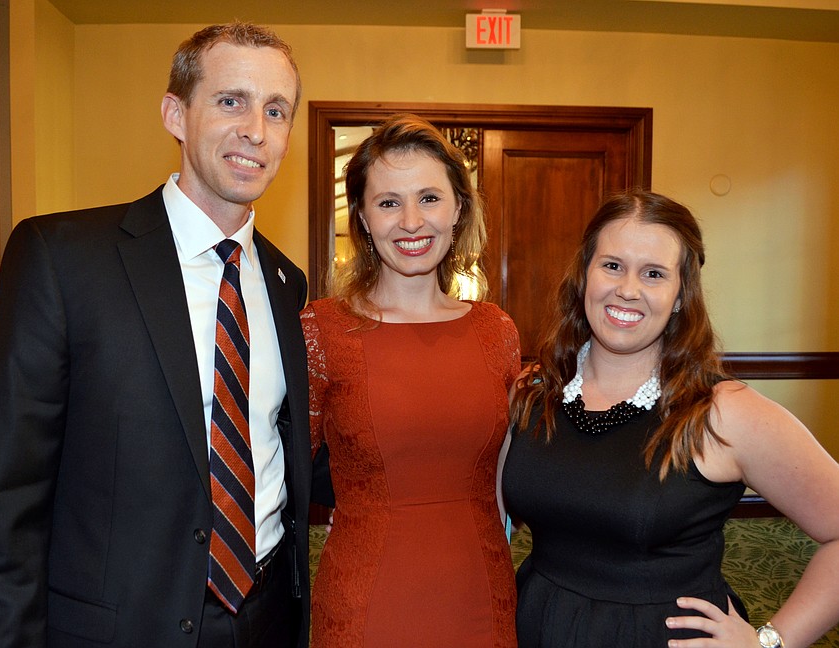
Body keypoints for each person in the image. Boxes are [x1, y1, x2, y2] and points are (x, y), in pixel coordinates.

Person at [0, 22, 327, 648]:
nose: (256, 128)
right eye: (232, 100)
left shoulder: (286, 281)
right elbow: (5, 496)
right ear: (176, 113)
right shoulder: (62, 259)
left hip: (266, 620)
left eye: (276, 109)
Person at [502, 188, 839, 647]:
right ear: (585, 276)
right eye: (612, 265)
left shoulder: (724, 412)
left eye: (654, 274)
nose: (628, 289)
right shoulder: (536, 389)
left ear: (681, 296)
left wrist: (770, 642)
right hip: (537, 626)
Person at [300, 113, 520, 647]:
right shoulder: (323, 329)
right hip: (366, 600)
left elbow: (508, 480)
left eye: (429, 198)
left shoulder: (497, 331)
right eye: (388, 202)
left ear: (458, 208)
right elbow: (279, 469)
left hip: (479, 593)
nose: (411, 222)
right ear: (364, 218)